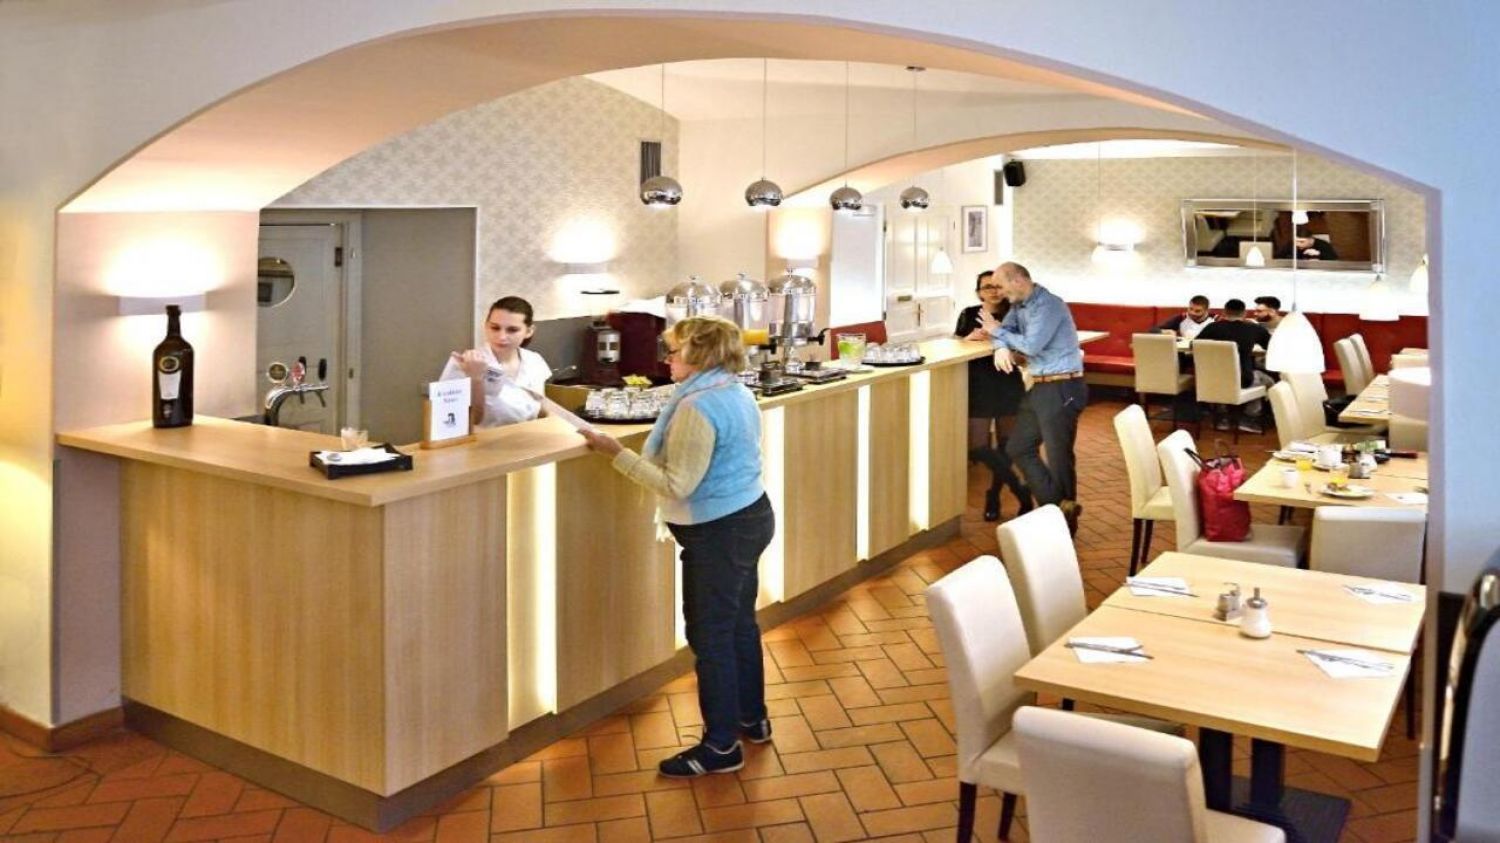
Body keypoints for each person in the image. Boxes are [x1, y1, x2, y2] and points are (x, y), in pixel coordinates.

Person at [579, 315, 775, 779]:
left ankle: (721, 746)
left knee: (711, 636)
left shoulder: (697, 406)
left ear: (700, 354)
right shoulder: (735, 390)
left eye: (673, 350)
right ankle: (752, 719)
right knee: (738, 626)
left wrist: (616, 453)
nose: (666, 359)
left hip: (719, 532)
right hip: (750, 516)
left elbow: (677, 484)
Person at [977, 262, 1087, 535]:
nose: (999, 292)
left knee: (1059, 458)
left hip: (1062, 386)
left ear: (1017, 281)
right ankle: (1059, 507)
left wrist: (996, 333)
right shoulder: (1019, 306)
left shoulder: (1049, 305)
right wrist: (1000, 347)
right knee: (1018, 447)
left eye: (1001, 285)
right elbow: (1004, 331)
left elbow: (1030, 345)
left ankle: (1064, 528)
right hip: (1039, 385)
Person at [956, 271, 1032, 521]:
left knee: (1006, 446)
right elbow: (956, 345)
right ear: (978, 292)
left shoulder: (1017, 315)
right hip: (978, 385)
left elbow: (1025, 355)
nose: (992, 291)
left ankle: (994, 495)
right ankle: (1020, 490)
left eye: (997, 286)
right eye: (986, 287)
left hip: (1007, 384)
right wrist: (969, 339)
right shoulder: (968, 314)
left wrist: (1000, 338)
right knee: (977, 447)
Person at [441, 296, 552, 428]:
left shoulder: (534, 360)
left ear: (528, 331)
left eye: (512, 330)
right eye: (495, 328)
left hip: (529, 435)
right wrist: (476, 380)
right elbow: (466, 421)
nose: (502, 337)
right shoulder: (465, 364)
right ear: (486, 326)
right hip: (486, 439)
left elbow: (540, 406)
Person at [1194, 298, 1274, 431]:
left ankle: (1222, 417)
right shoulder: (1253, 328)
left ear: (1224, 312)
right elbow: (1272, 346)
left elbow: (1195, 345)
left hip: (1214, 379)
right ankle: (1249, 416)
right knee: (1268, 381)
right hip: (1243, 380)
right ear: (1244, 313)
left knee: (1223, 380)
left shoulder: (1212, 327)